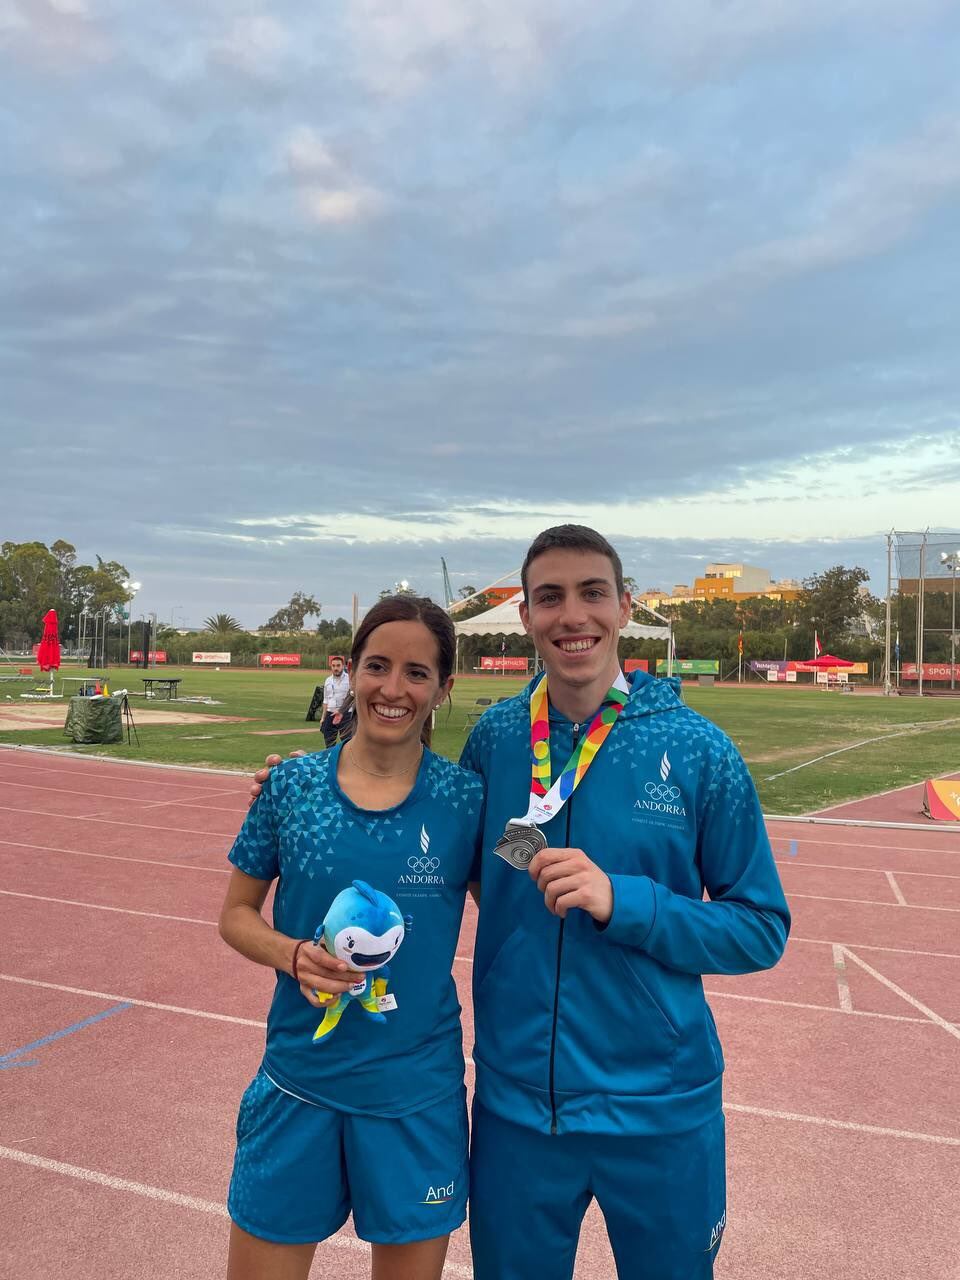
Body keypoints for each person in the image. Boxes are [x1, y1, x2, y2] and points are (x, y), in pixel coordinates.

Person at [252, 525, 790, 1280]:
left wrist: (622, 901)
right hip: (516, 1113)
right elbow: (447, 856)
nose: (573, 615)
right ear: (528, 617)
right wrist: (297, 792)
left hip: (661, 1109)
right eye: (550, 598)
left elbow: (761, 928)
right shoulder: (499, 739)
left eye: (592, 592)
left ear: (624, 605)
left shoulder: (700, 750)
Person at [222, 596, 483, 1280]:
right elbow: (237, 916)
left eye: (417, 673)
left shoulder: (467, 801)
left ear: (443, 688)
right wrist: (293, 955)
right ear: (352, 671)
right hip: (299, 1085)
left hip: (416, 1097)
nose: (393, 689)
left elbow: (529, 890)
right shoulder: (291, 787)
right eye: (377, 666)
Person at [320, 653, 354, 747]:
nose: (336, 668)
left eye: (338, 665)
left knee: (347, 743)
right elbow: (325, 700)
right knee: (329, 743)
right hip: (330, 713)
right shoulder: (328, 680)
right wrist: (323, 717)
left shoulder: (349, 679)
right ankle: (331, 760)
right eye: (333, 666)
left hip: (345, 714)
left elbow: (353, 696)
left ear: (343, 666)